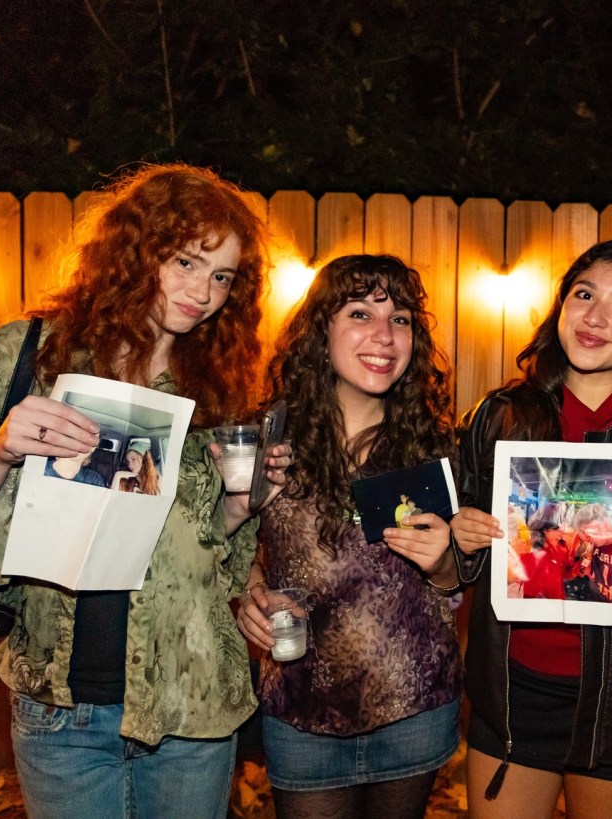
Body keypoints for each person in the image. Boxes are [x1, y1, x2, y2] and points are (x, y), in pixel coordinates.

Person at [0, 163, 275, 819]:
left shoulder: (222, 384)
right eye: (185, 261)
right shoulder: (31, 352)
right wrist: (1, 447)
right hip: (62, 705)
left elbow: (222, 560)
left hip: (190, 704)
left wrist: (241, 506)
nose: (201, 292)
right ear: (136, 249)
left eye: (221, 277)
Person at [450, 239, 612, 819]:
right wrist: (463, 538)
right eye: (583, 295)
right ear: (560, 307)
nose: (594, 316)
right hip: (512, 699)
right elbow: (456, 562)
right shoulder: (499, 416)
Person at [235, 255, 461, 819]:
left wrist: (444, 563)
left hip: (413, 708)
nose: (384, 335)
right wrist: (249, 591)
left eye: (401, 318)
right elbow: (224, 547)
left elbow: (460, 580)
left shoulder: (438, 447)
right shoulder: (269, 438)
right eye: (361, 313)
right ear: (321, 330)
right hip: (301, 711)